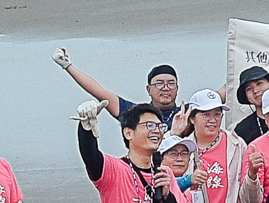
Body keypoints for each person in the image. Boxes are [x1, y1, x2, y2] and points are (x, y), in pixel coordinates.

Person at [54, 50, 183, 138]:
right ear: (148, 89)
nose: (166, 88)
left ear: (177, 88)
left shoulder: (187, 114)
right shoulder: (135, 112)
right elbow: (99, 91)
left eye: (171, 83)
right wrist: (67, 66)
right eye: (159, 83)